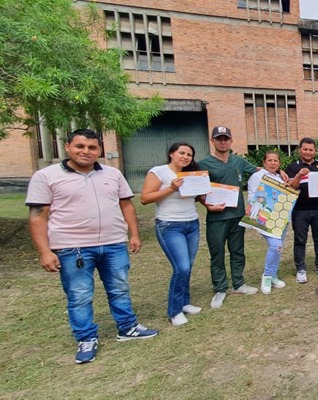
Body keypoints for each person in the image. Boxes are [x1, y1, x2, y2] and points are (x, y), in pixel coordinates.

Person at [26, 128, 158, 364]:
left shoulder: (112, 173)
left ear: (99, 150)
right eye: (80, 146)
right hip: (72, 247)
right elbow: (38, 215)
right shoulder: (46, 176)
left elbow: (126, 205)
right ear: (68, 147)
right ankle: (86, 338)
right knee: (79, 295)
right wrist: (45, 251)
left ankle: (127, 328)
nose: (86, 151)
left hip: (113, 243)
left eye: (92, 147)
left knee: (119, 287)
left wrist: (134, 234)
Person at [140, 142, 203, 326]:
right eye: (181, 153)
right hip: (169, 225)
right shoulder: (159, 172)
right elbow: (145, 198)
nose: (185, 157)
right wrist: (171, 189)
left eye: (189, 154)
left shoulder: (191, 174)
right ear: (171, 154)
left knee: (188, 266)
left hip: (191, 223)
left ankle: (184, 303)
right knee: (181, 267)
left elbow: (197, 196)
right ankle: (174, 312)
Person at [198, 125, 260, 309]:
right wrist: (207, 204)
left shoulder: (238, 161)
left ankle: (239, 284)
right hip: (217, 217)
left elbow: (257, 171)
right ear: (213, 141)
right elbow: (197, 191)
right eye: (219, 139)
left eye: (226, 139)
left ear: (231, 141)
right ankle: (220, 288)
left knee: (237, 251)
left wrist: (277, 172)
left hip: (237, 215)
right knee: (217, 253)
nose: (223, 142)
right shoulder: (204, 164)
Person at [286, 137, 318, 284]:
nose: (308, 152)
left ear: (314, 151)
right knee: (300, 239)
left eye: (310, 149)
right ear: (300, 150)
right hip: (300, 210)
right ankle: (301, 268)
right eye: (305, 149)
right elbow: (291, 186)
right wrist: (299, 175)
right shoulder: (293, 167)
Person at [246, 150, 289, 294]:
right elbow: (252, 196)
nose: (273, 163)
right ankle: (267, 276)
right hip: (264, 217)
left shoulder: (281, 177)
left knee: (279, 247)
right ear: (264, 162)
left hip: (280, 218)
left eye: (275, 161)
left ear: (279, 163)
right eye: (269, 160)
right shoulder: (256, 176)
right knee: (276, 245)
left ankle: (273, 275)